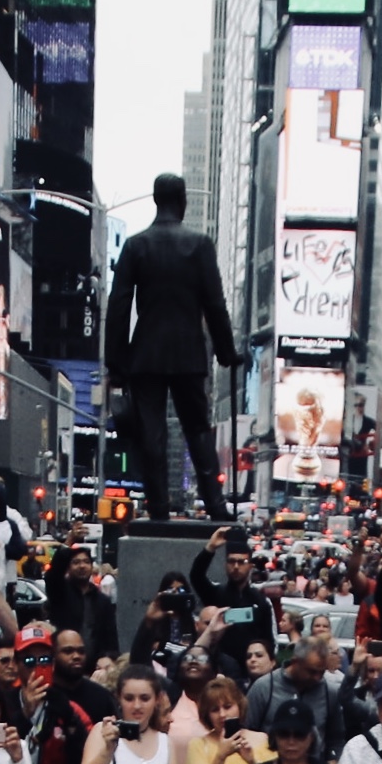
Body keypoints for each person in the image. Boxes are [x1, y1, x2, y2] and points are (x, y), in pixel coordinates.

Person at [100, 171, 238, 521]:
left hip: (145, 355)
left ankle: (158, 508)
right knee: (198, 431)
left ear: (155, 199)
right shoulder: (199, 245)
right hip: (189, 353)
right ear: (183, 200)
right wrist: (225, 352)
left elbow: (118, 307)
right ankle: (216, 507)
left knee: (152, 434)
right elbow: (215, 304)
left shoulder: (136, 245)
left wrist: (115, 362)